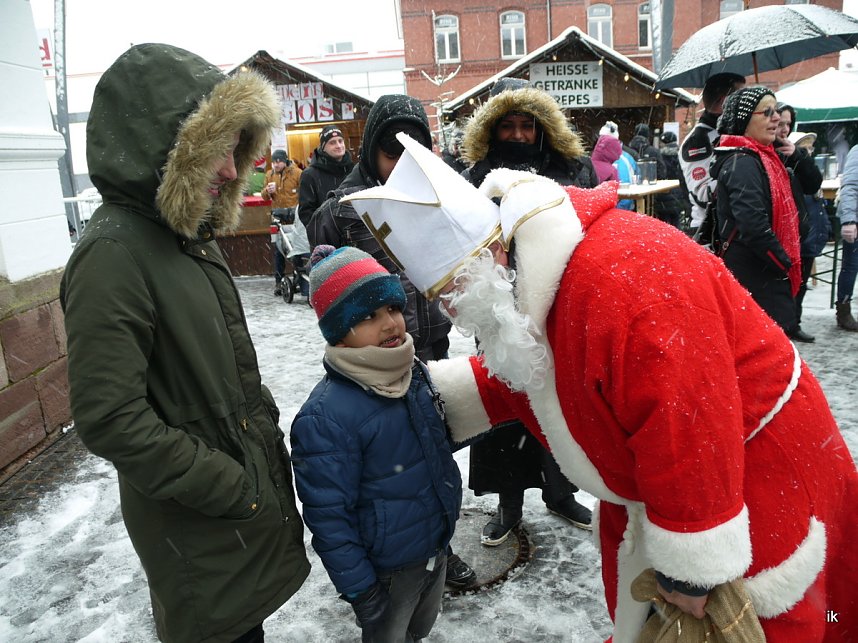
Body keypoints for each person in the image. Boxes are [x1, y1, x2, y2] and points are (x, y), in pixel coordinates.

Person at [343, 131, 858, 642]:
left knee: (755, 623)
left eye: (455, 286)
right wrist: (418, 403)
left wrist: (691, 566)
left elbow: (689, 416)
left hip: (748, 473)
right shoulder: (536, 281)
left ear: (494, 253)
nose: (451, 309)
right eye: (440, 295)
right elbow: (528, 374)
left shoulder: (625, 281)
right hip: (662, 480)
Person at [60, 44, 310, 643]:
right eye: (220, 150)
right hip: (199, 525)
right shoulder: (114, 255)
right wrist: (230, 486)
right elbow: (110, 419)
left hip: (228, 521)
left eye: (236, 150)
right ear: (167, 147)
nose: (231, 171)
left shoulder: (184, 236)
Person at [308, 94, 475, 589]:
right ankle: (381, 561)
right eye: (391, 151)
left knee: (431, 454)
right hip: (372, 360)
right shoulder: (345, 206)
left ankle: (438, 549)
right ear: (371, 151)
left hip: (427, 344)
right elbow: (323, 274)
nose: (402, 163)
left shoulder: (433, 192)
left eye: (413, 149)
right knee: (384, 467)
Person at [290, 245, 463, 642]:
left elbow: (434, 448)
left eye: (392, 309)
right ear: (339, 332)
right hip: (385, 571)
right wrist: (361, 589)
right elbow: (329, 516)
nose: (390, 324)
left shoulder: (413, 374)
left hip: (433, 545)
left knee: (418, 630)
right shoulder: (326, 416)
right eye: (368, 316)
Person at [460, 78, 595, 547]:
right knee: (506, 408)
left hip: (561, 306)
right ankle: (509, 503)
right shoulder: (476, 180)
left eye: (527, 126)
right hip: (499, 309)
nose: (518, 135)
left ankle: (561, 492)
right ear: (493, 130)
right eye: (508, 126)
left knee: (561, 404)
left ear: (541, 131)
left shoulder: (570, 172)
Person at [711, 86, 802, 336]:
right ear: (744, 121)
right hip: (757, 275)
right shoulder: (744, 163)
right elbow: (753, 225)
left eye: (776, 110)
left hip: (761, 273)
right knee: (768, 351)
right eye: (767, 112)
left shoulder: (763, 158)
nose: (776, 118)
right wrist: (783, 262)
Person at [773, 105, 824, 342]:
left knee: (800, 279)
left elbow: (814, 183)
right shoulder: (762, 151)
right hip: (778, 229)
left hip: (799, 228)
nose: (783, 129)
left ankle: (794, 322)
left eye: (787, 124)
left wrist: (797, 156)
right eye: (780, 122)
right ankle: (780, 327)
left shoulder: (797, 153)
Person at [680, 72, 746, 233]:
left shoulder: (732, 132)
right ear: (725, 101)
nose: (746, 103)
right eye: (742, 98)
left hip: (732, 226)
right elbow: (703, 195)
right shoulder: (698, 140)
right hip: (709, 231)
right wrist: (744, 174)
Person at [297, 124, 354, 226]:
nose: (338, 146)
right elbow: (306, 213)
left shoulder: (353, 170)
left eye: (340, 141)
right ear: (323, 147)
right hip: (327, 237)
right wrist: (325, 230)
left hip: (355, 234)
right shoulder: (309, 175)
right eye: (332, 142)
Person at [264, 149, 303, 296]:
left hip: (295, 217)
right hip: (277, 218)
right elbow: (264, 197)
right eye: (274, 162)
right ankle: (278, 282)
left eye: (279, 161)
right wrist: (267, 191)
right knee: (278, 251)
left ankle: (299, 278)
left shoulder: (298, 173)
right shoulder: (269, 175)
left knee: (297, 248)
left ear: (285, 160)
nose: (276, 164)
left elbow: (305, 191)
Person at [835, 143, 858, 331]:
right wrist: (849, 220)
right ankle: (843, 310)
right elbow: (849, 186)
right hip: (856, 221)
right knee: (851, 266)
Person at [657, 131, 692, 229]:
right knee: (676, 222)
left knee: (663, 225)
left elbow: (660, 174)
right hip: (679, 193)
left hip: (663, 194)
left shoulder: (660, 155)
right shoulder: (682, 154)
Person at [599, 120, 637, 210]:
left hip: (618, 211)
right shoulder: (628, 157)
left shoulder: (624, 160)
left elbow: (626, 190)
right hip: (609, 210)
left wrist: (616, 210)